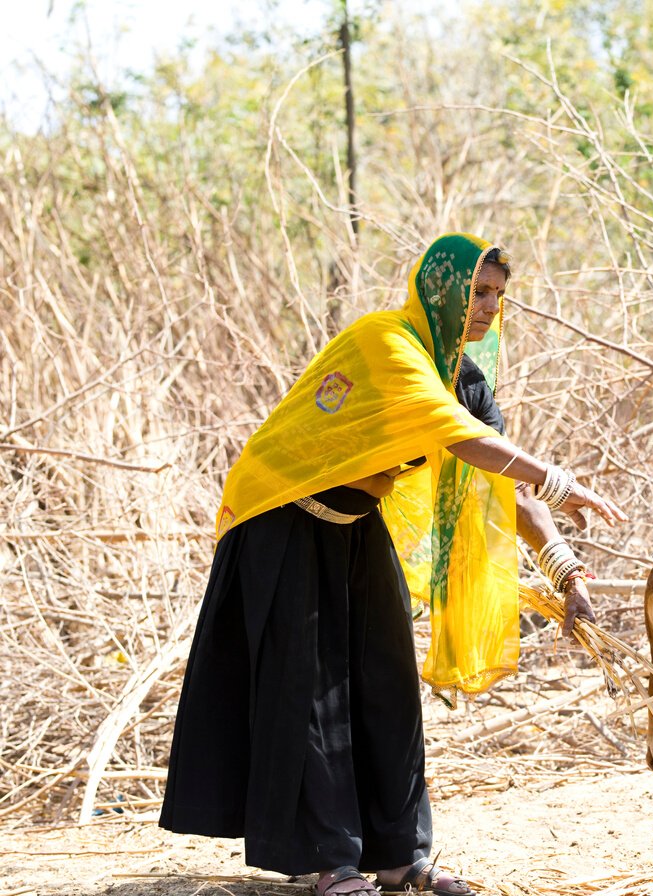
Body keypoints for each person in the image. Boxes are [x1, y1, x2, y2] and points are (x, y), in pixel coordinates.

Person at [160, 234, 627, 896]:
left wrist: (567, 574)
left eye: (497, 294)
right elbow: (461, 437)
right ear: (440, 291)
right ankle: (330, 860)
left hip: (351, 521)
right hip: (279, 516)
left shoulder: (465, 380)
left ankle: (399, 855)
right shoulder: (386, 344)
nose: (489, 306)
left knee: (387, 677)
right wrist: (562, 478)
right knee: (311, 687)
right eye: (476, 292)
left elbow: (509, 488)